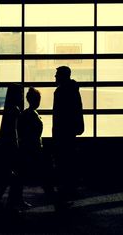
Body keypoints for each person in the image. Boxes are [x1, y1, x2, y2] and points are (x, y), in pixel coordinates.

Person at [18, 87, 57, 208]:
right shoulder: (33, 115)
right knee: (45, 173)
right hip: (34, 148)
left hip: (28, 148)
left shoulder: (25, 114)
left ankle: (53, 197)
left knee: (29, 174)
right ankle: (54, 198)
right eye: (38, 99)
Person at [52, 66, 84, 205]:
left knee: (63, 160)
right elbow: (78, 109)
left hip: (62, 132)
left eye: (57, 74)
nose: (55, 77)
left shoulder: (60, 92)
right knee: (70, 159)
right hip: (70, 130)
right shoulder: (73, 90)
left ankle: (65, 189)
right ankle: (71, 188)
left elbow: (58, 115)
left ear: (62, 76)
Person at [0, 84, 27, 209]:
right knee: (16, 175)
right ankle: (15, 201)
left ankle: (1, 200)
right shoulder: (15, 110)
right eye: (21, 93)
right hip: (12, 146)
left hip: (6, 146)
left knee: (7, 175)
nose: (22, 96)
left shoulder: (8, 109)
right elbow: (15, 131)